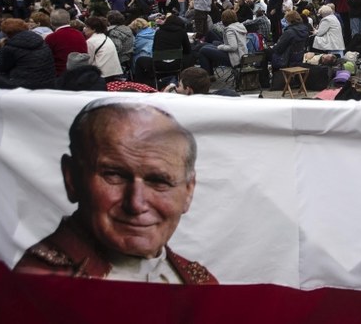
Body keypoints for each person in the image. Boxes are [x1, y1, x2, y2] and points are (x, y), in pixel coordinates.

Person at [13, 99, 216, 283]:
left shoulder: (201, 283)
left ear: (189, 190)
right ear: (71, 178)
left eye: (158, 181)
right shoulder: (35, 283)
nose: (136, 203)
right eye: (114, 175)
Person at [45, 9, 88, 76]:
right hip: (81, 74)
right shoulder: (80, 34)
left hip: (61, 76)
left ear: (51, 22)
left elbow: (46, 59)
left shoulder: (51, 38)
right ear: (69, 20)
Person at [84, 16, 123, 82]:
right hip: (113, 71)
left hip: (101, 73)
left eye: (87, 27)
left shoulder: (91, 41)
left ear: (94, 29)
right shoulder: (105, 37)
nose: (84, 29)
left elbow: (88, 60)